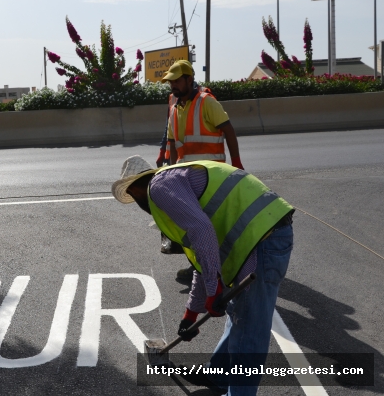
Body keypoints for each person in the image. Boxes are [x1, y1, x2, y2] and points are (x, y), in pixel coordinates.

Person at [112, 155, 294, 396]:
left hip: (265, 237)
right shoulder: (174, 184)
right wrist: (191, 313)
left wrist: (213, 286)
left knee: (250, 326)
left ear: (134, 188)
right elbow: (201, 257)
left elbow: (202, 231)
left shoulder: (159, 188)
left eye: (133, 197)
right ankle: (218, 374)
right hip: (261, 234)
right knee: (239, 312)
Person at [161, 60, 244, 281]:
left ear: (189, 79)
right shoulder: (175, 108)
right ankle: (200, 266)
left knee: (214, 224)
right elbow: (172, 143)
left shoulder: (206, 102)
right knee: (194, 227)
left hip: (212, 177)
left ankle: (226, 266)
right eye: (171, 82)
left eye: (177, 80)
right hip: (187, 179)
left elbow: (228, 129)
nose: (173, 85)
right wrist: (168, 171)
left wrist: (236, 161)